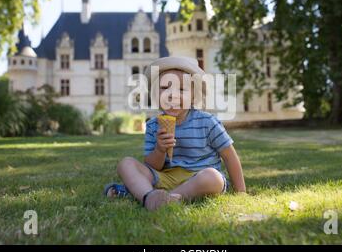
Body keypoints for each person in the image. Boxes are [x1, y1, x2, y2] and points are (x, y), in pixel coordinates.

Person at [104, 56, 246, 211]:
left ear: (192, 96)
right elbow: (152, 165)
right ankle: (149, 196)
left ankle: (155, 197)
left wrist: (241, 193)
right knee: (126, 164)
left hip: (198, 178)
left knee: (213, 177)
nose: (173, 95)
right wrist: (160, 149)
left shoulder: (207, 122)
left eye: (181, 89)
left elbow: (230, 157)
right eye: (165, 88)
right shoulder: (153, 125)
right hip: (165, 177)